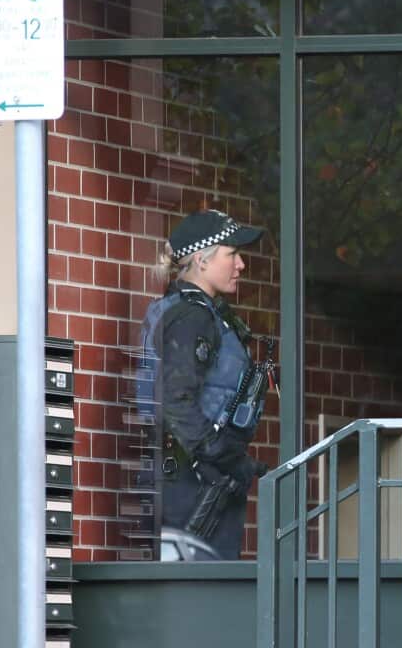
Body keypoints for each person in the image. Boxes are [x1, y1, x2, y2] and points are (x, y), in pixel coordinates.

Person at [142, 208, 271, 560]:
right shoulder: (192, 318)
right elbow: (173, 399)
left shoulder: (197, 312)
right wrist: (221, 455)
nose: (241, 264)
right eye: (232, 254)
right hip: (191, 484)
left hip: (194, 478)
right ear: (201, 260)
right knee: (200, 589)